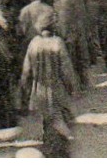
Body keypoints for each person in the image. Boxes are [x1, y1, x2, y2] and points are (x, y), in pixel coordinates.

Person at [19, 25, 78, 157]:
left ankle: (49, 147)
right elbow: (66, 68)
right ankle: (59, 149)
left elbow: (26, 70)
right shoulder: (57, 42)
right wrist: (71, 85)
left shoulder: (33, 43)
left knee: (46, 118)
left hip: (39, 88)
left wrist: (25, 88)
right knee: (58, 116)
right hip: (56, 86)